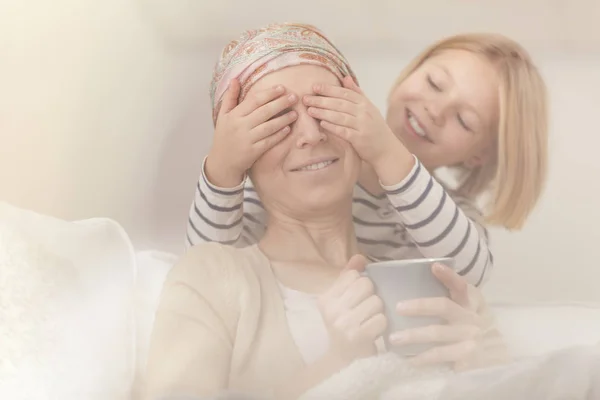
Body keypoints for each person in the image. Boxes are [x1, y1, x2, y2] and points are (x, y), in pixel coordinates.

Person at [144, 23, 505, 400]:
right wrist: (340, 364)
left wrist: (481, 373)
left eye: (328, 109)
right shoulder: (215, 277)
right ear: (241, 156)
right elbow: (208, 251)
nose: (311, 134)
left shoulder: (442, 281)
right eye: (276, 120)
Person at [185, 28, 548, 288]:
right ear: (411, 72)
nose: (435, 109)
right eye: (434, 83)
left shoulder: (456, 215)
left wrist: (388, 152)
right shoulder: (299, 180)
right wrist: (224, 166)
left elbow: (471, 272)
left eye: (464, 120)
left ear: (478, 156)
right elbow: (205, 263)